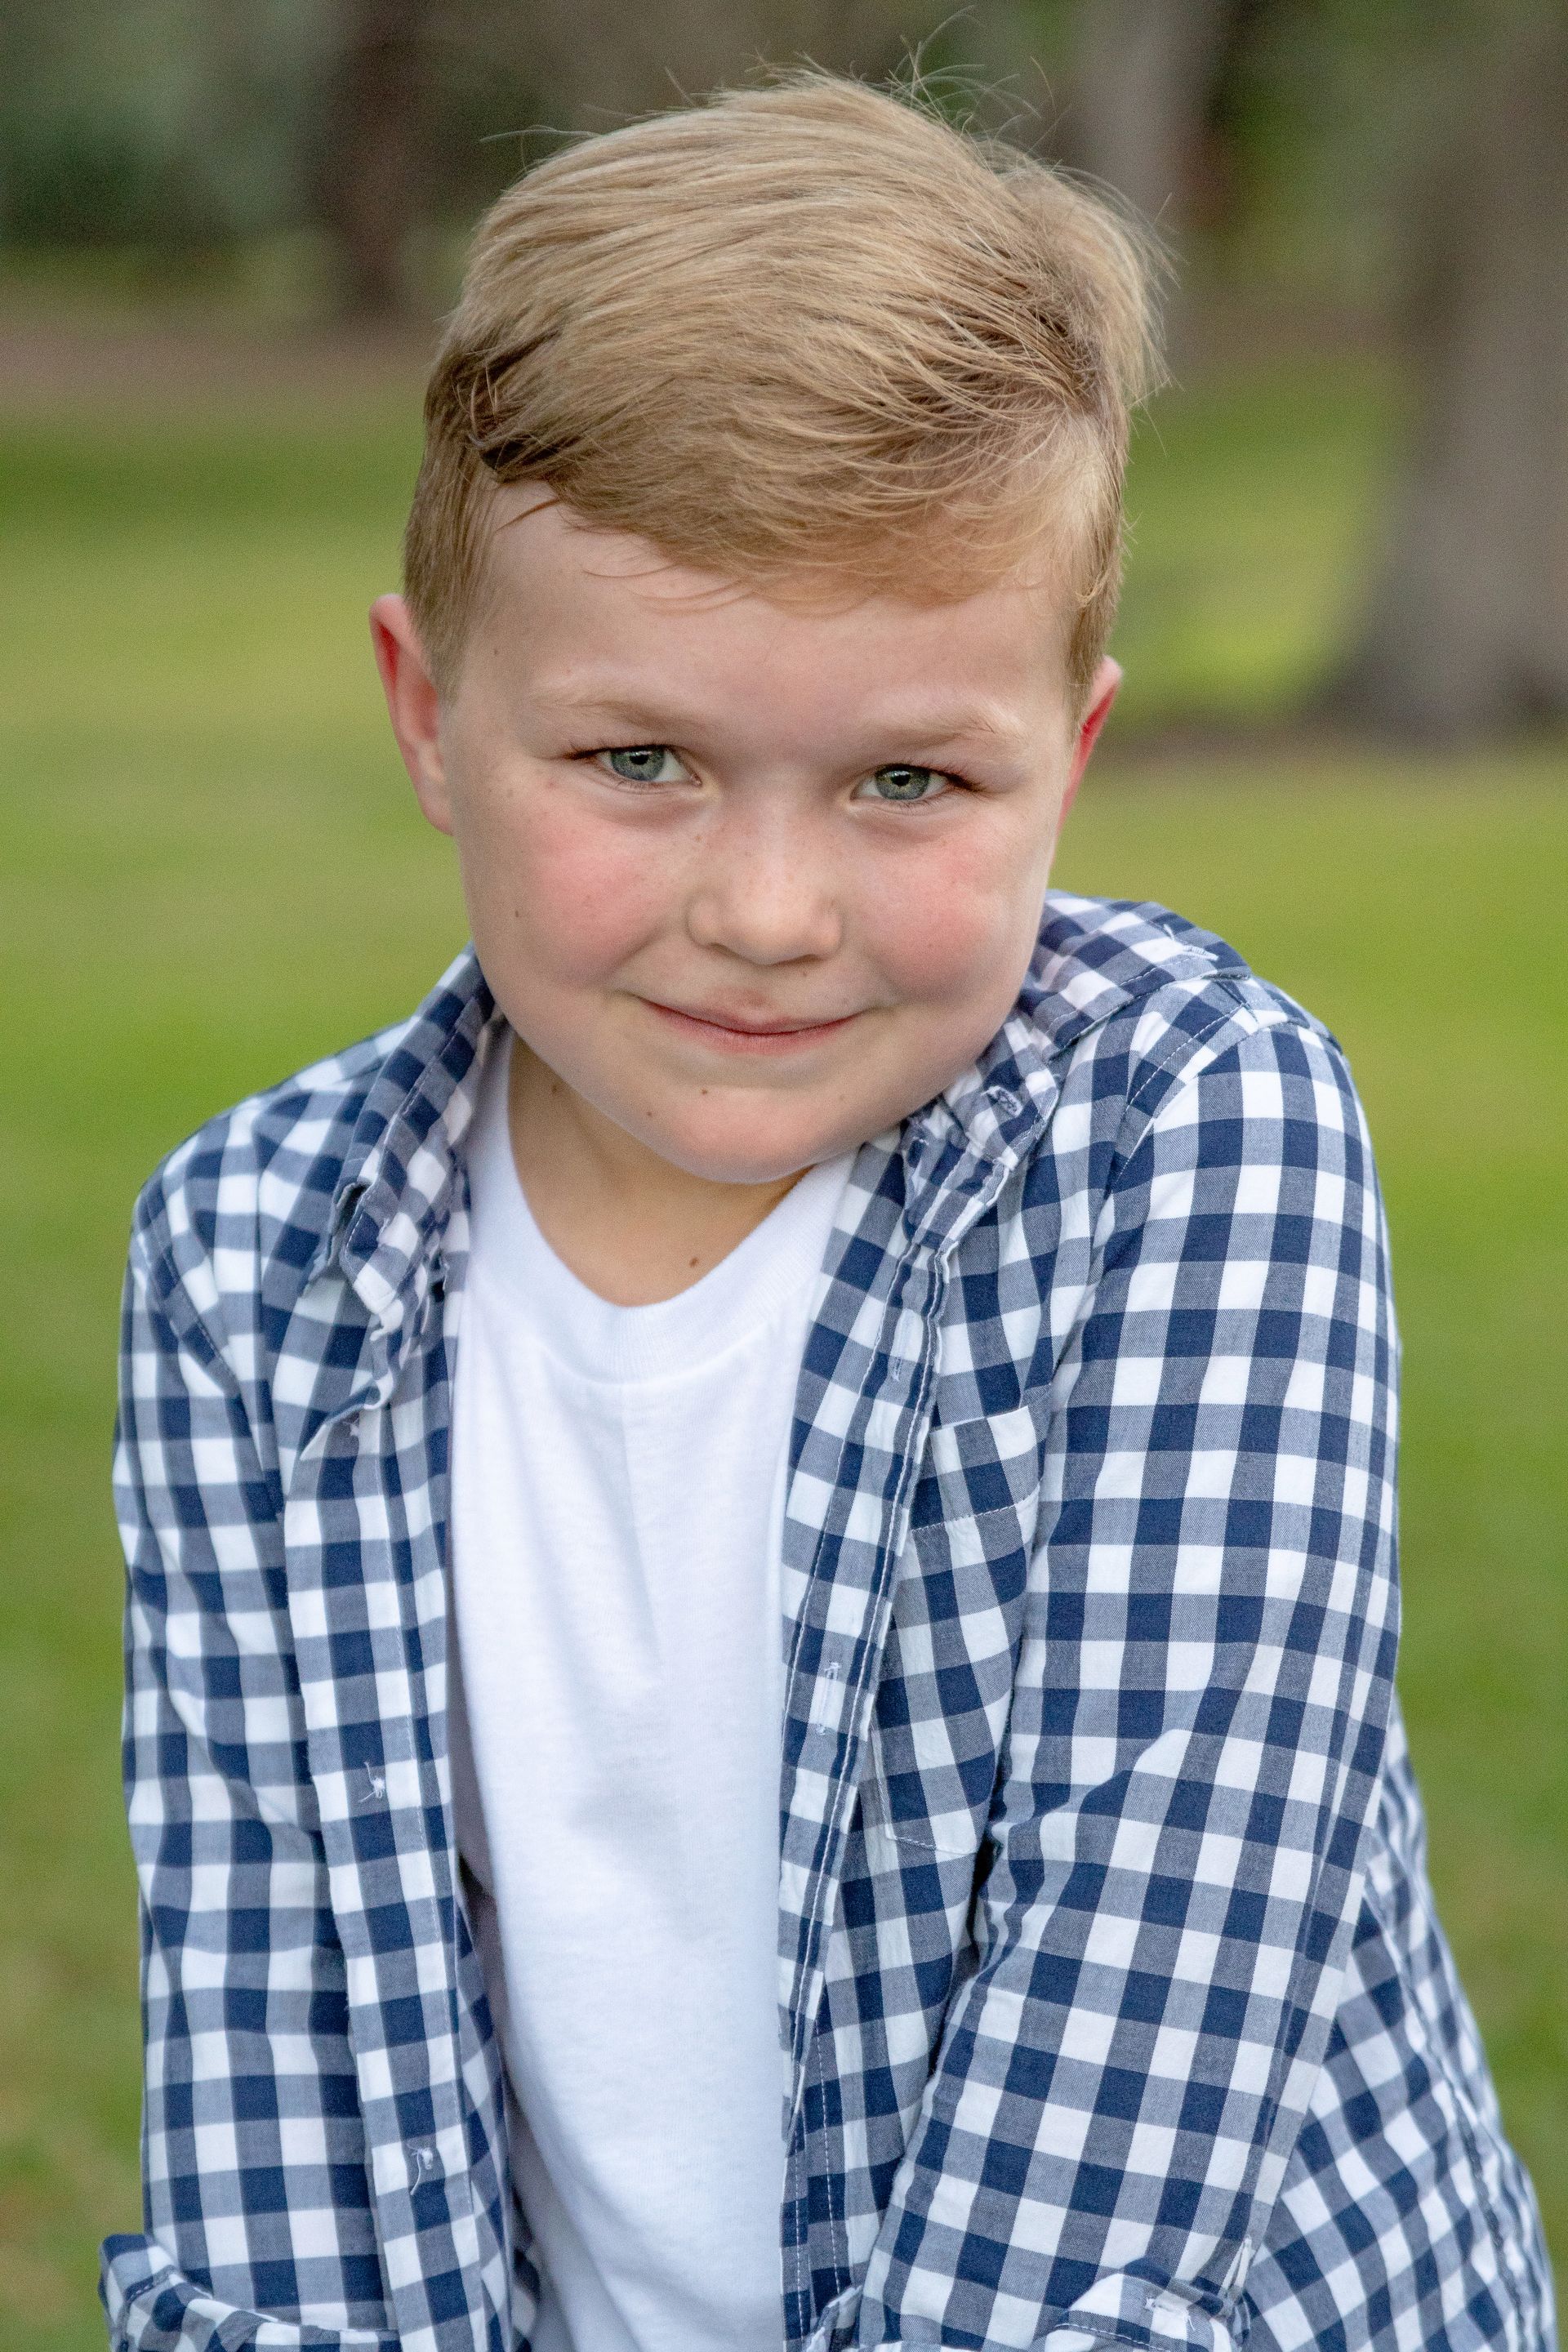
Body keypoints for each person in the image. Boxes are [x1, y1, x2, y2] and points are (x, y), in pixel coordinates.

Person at [102, 72, 1552, 2352]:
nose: (769, 913)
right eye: (640, 762)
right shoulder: (254, 1266)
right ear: (427, 712)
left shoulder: (1182, 1138)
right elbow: (271, 2049)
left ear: (1064, 761)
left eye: (908, 780)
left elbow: (1143, 2006)